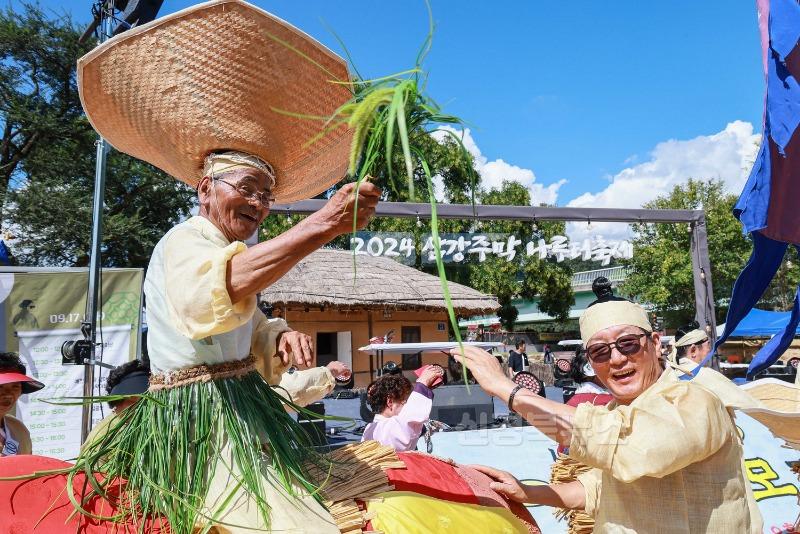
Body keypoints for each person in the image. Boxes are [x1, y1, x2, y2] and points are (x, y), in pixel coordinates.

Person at [67, 4, 380, 533]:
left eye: (266, 195)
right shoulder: (184, 240)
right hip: (199, 423)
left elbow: (242, 323)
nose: (258, 203)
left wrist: (277, 334)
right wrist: (322, 225)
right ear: (204, 187)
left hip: (246, 408)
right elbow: (206, 301)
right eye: (245, 188)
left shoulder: (231, 249)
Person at [452, 277, 763, 533]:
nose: (616, 359)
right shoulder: (617, 412)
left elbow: (632, 448)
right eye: (600, 352)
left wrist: (507, 390)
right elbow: (598, 487)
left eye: (627, 344)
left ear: (654, 343)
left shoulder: (695, 400)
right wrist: (528, 492)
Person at [361, 366, 442, 452]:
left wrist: (425, 388)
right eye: (405, 401)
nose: (408, 406)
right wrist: (422, 384)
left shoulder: (373, 428)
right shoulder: (383, 428)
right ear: (390, 402)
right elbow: (410, 419)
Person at [0, 352, 43, 456]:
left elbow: (27, 465)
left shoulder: (19, 429)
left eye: (15, 387)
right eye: (0, 386)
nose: (8, 394)